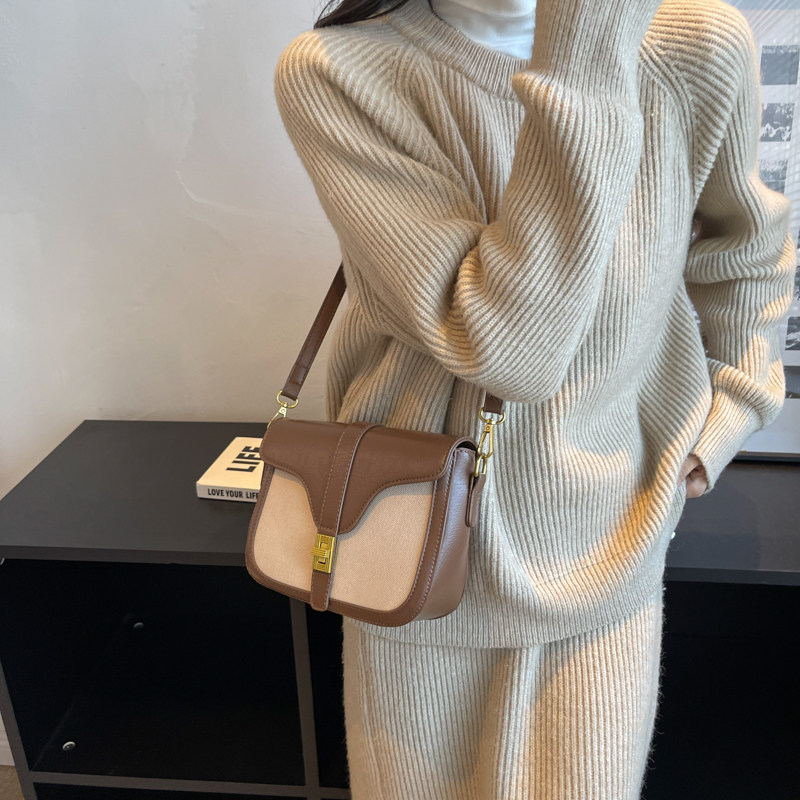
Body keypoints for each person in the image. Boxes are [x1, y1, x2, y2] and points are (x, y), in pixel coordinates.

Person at [272, 0, 795, 797]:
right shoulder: (339, 72)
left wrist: (733, 406)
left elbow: (747, 248)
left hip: (611, 543)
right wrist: (583, 47)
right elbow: (508, 348)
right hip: (409, 549)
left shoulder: (696, 44)